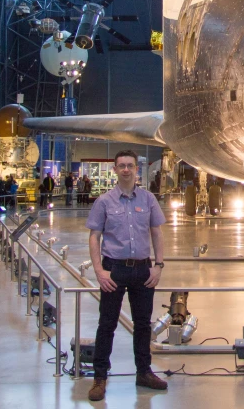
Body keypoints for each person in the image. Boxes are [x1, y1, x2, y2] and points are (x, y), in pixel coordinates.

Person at [86, 150, 167, 401]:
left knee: (143, 325)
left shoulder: (148, 199)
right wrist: (99, 271)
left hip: (143, 270)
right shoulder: (104, 202)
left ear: (136, 169)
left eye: (130, 165)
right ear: (115, 169)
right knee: (107, 324)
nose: (126, 170)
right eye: (121, 166)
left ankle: (143, 371)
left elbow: (157, 233)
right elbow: (94, 237)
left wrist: (159, 265)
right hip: (115, 270)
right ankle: (100, 377)